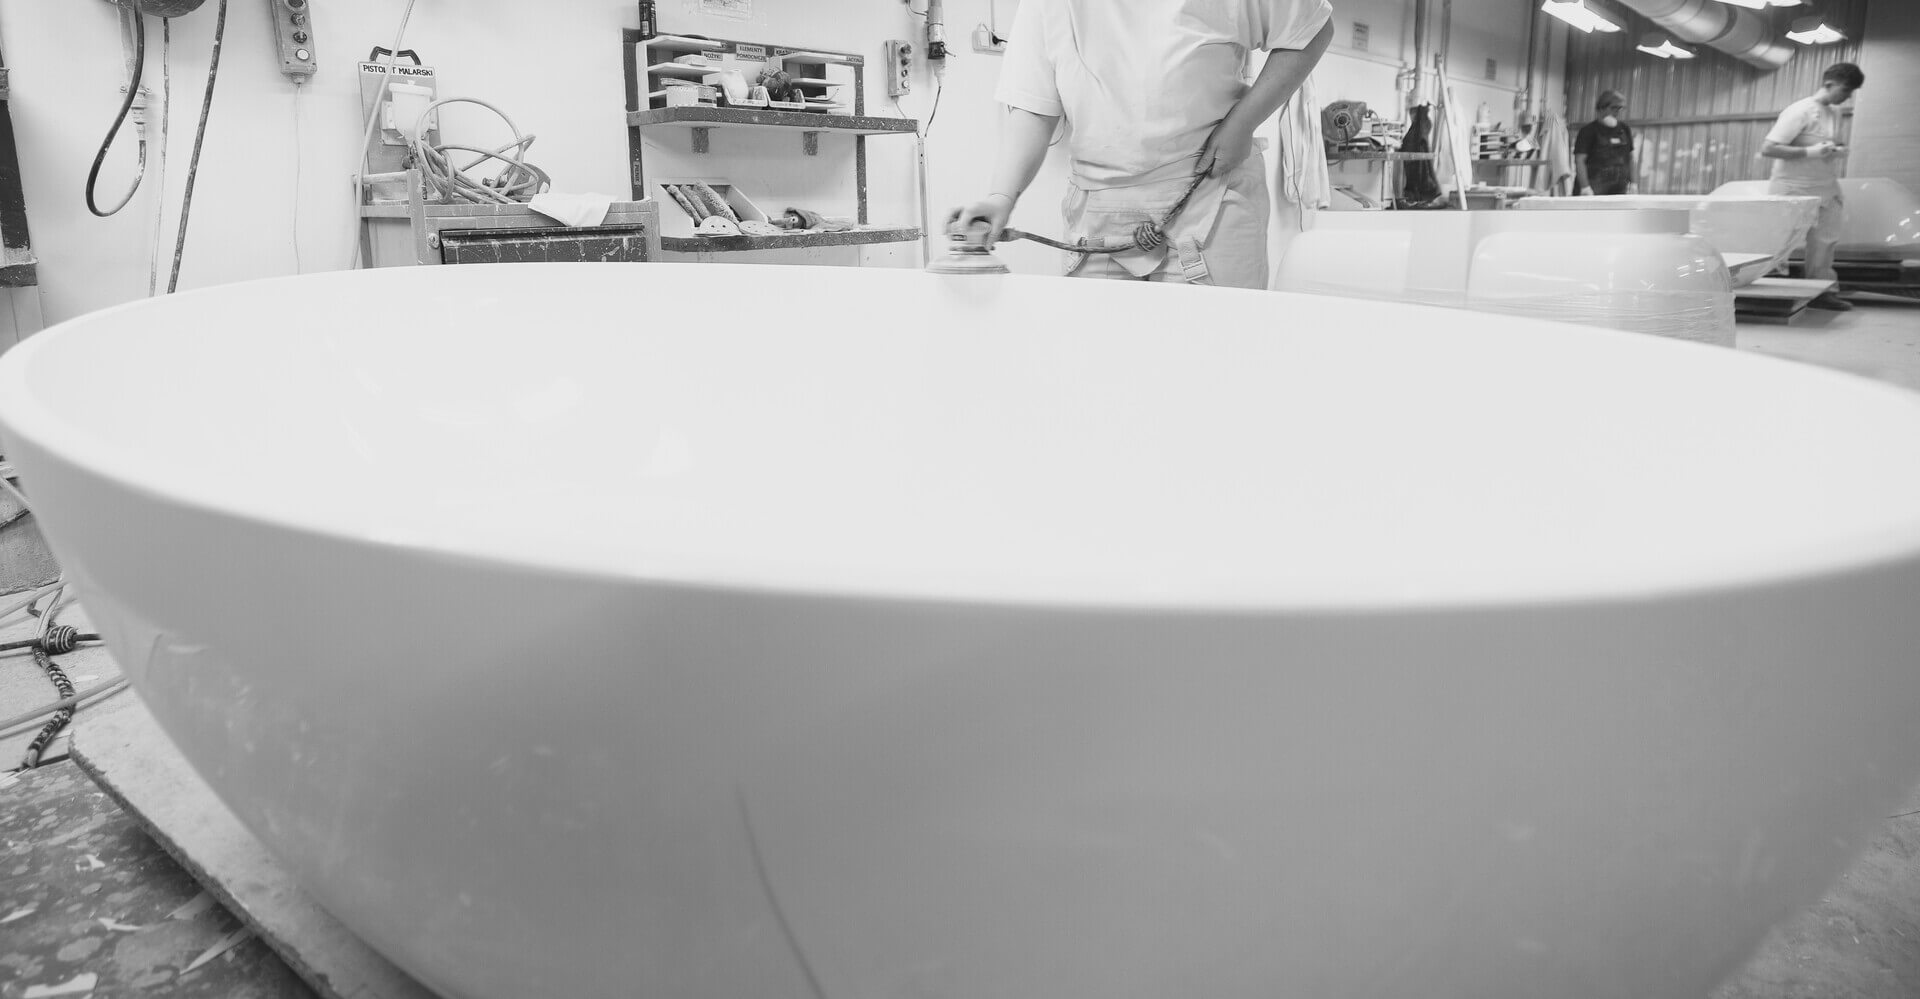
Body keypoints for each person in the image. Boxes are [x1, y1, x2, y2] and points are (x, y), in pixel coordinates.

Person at [947, 0, 1334, 288]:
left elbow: (1312, 29)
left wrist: (1243, 122)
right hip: (1099, 210)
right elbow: (1034, 106)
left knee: (1213, 366)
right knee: (1102, 373)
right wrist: (1001, 197)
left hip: (1208, 191)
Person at [1761, 62, 1864, 312]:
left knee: (1825, 243)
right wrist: (1810, 151)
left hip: (1825, 188)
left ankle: (1822, 292)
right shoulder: (1800, 111)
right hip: (1792, 188)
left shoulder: (1834, 113)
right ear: (1829, 84)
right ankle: (1766, 293)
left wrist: (1834, 150)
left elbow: (1826, 144)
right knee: (1780, 243)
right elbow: (1769, 148)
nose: (1847, 96)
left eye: (1851, 92)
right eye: (1845, 90)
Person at [1573, 91, 1636, 197]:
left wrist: (1634, 183)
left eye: (1620, 108)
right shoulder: (1588, 131)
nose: (1617, 112)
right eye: (1614, 108)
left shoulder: (1624, 129)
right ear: (1601, 108)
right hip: (1595, 186)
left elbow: (1630, 158)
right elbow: (1579, 160)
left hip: (1619, 186)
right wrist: (1585, 187)